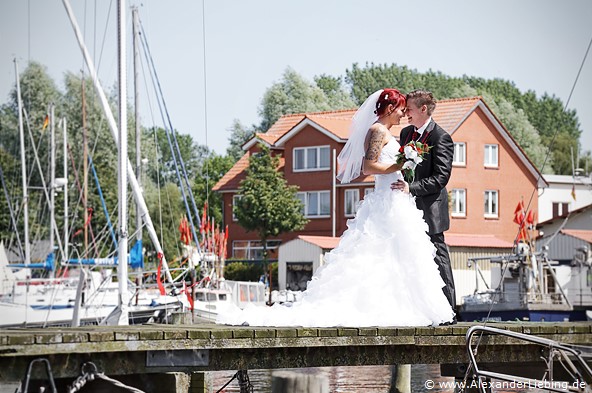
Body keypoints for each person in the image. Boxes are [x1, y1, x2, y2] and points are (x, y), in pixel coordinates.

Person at [216, 89, 455, 327]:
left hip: (398, 199)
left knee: (403, 256)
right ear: (391, 109)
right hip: (387, 198)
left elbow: (432, 173)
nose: (404, 114)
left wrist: (404, 167)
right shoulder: (378, 131)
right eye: (402, 109)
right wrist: (399, 164)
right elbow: (368, 167)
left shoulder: (397, 133)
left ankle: (410, 307)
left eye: (407, 110)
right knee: (380, 252)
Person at [391, 89, 456, 321]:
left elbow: (441, 178)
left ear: (423, 109)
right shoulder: (405, 133)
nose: (405, 112)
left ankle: (449, 313)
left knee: (438, 260)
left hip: (431, 210)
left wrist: (412, 188)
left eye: (408, 109)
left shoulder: (441, 137)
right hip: (407, 209)